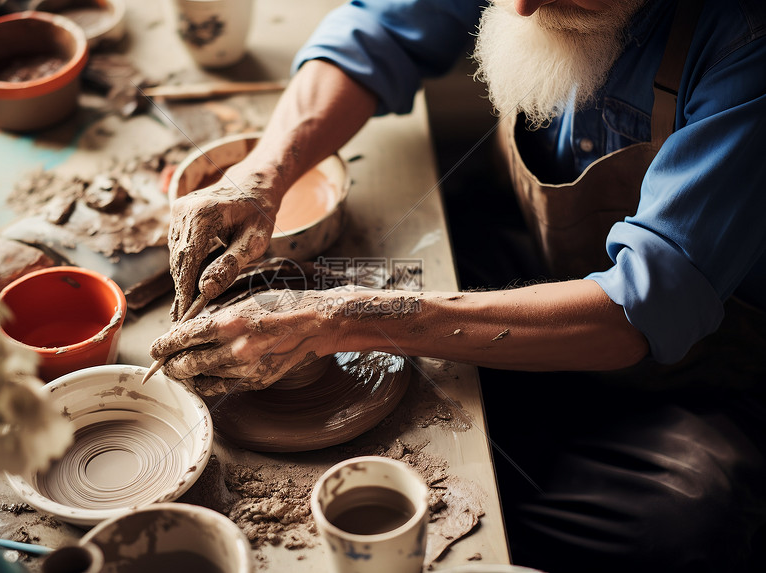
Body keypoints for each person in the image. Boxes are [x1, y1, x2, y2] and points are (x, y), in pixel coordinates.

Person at [150, 1, 766, 570]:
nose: (521, 5)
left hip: (706, 369)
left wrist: (346, 320)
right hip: (538, 259)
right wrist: (265, 169)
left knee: (689, 512)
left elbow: (640, 306)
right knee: (392, 259)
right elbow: (379, 32)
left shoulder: (746, 43)